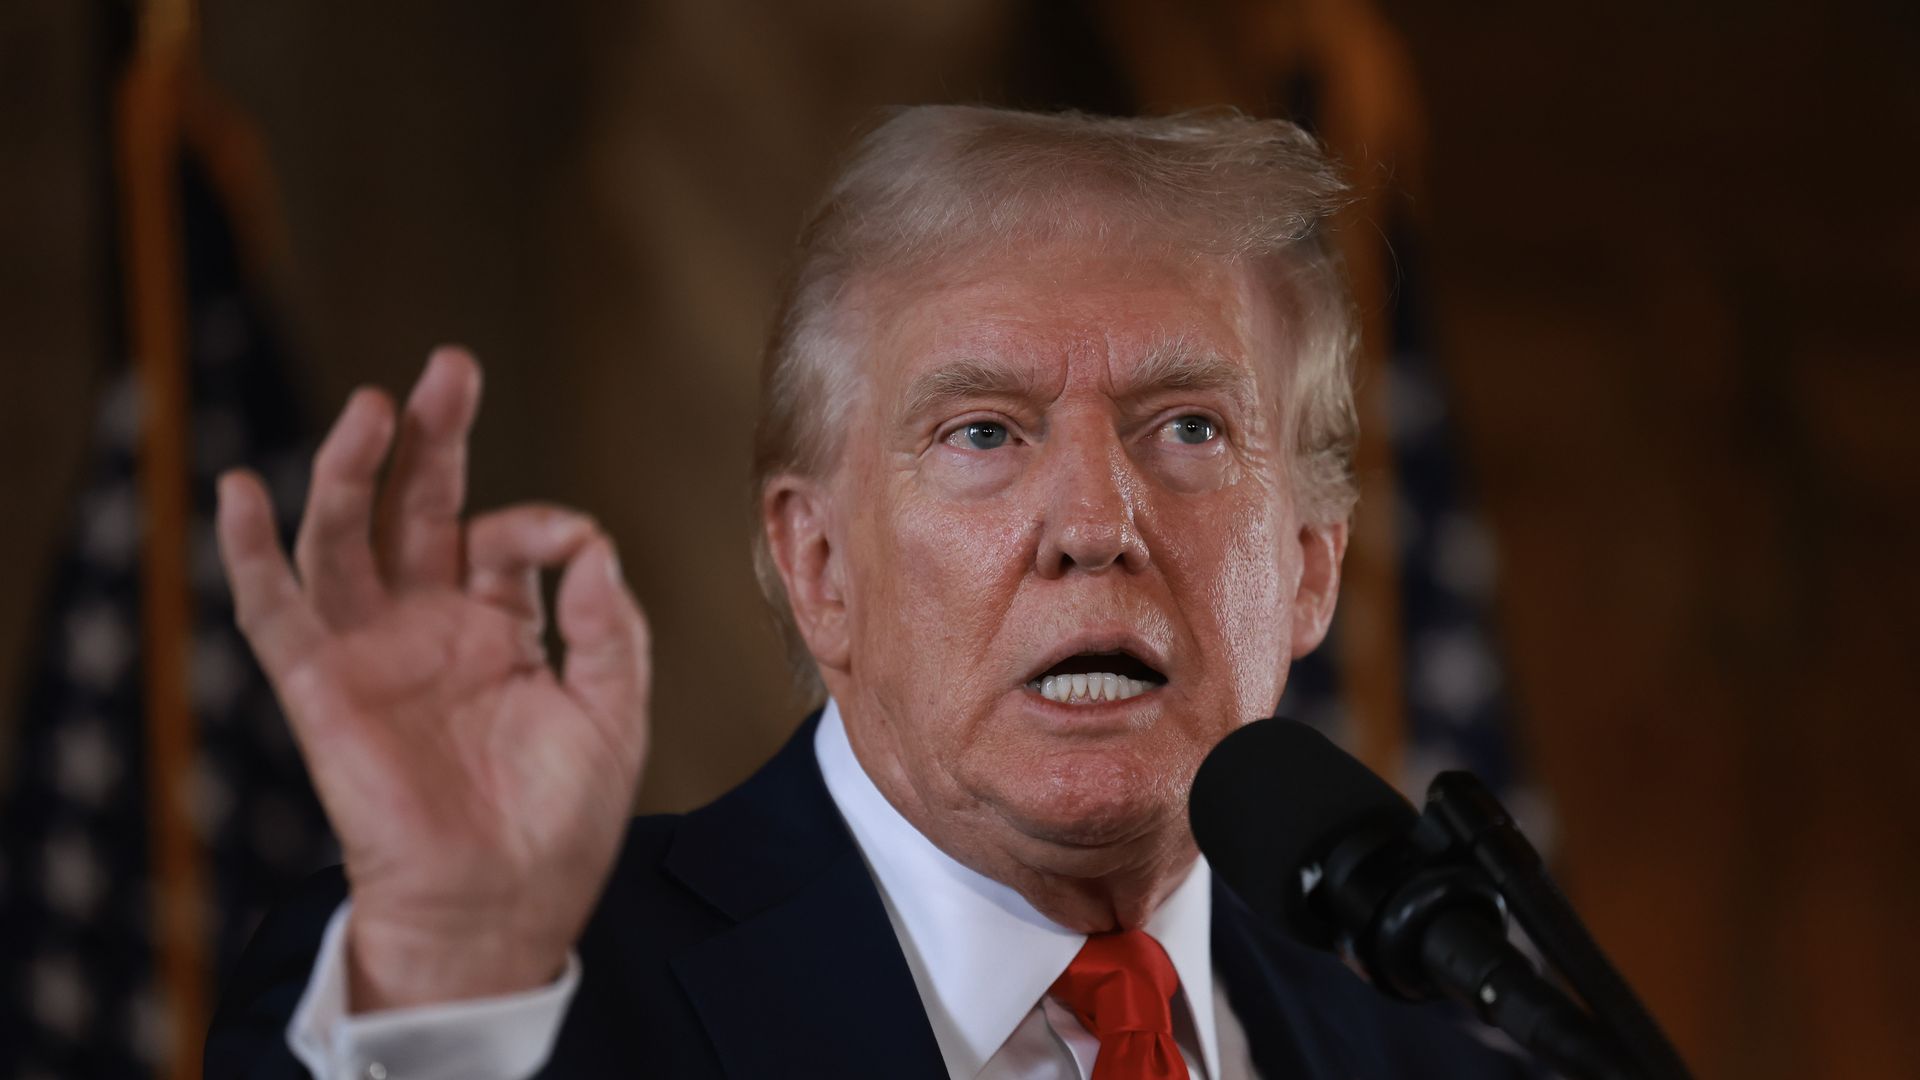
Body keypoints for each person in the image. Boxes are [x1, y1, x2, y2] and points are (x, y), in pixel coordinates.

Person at [205, 106, 1529, 1079]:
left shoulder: (1442, 1066)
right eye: (983, 434)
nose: (1091, 523)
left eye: (1188, 428)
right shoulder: (503, 999)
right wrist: (441, 995)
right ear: (817, 564)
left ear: (1310, 568)